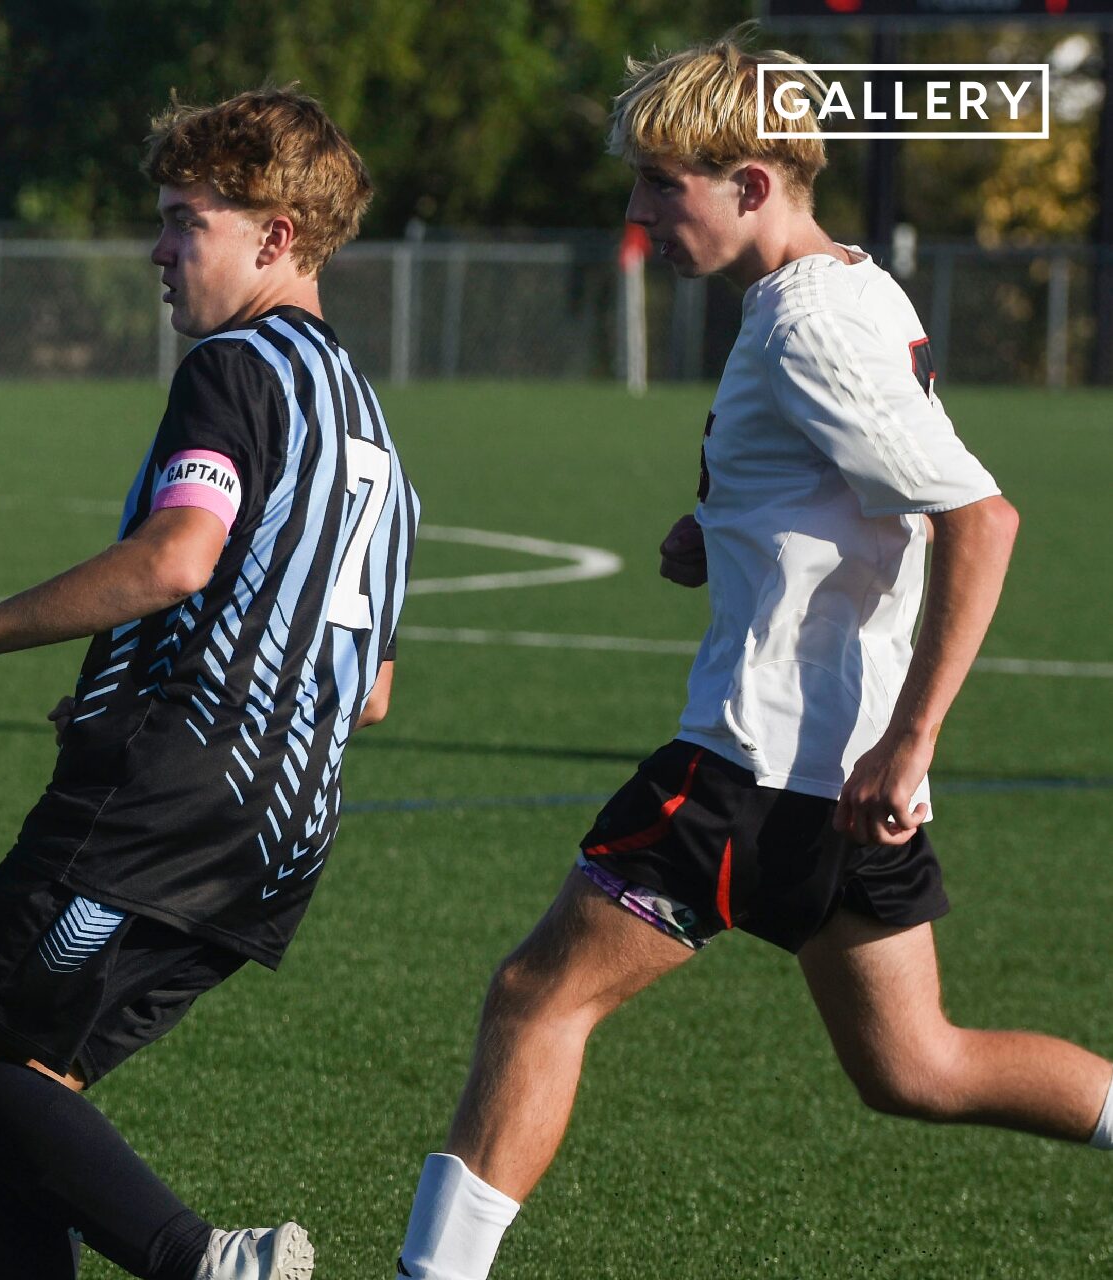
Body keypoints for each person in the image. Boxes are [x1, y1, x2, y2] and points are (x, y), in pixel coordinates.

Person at [392, 32, 1113, 1280]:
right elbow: (858, 494)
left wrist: (911, 737)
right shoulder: (853, 287)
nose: (636, 214)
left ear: (751, 179)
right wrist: (721, 524)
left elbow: (976, 520)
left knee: (532, 996)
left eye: (659, 185)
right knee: (917, 1066)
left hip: (756, 763)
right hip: (829, 781)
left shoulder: (805, 322)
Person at [0, 88, 413, 1280]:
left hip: (159, 805)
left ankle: (199, 1262)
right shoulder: (372, 434)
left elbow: (178, 553)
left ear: (275, 236)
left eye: (185, 221)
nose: (158, 249)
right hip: (283, 831)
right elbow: (365, 688)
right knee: (20, 1100)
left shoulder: (237, 366)